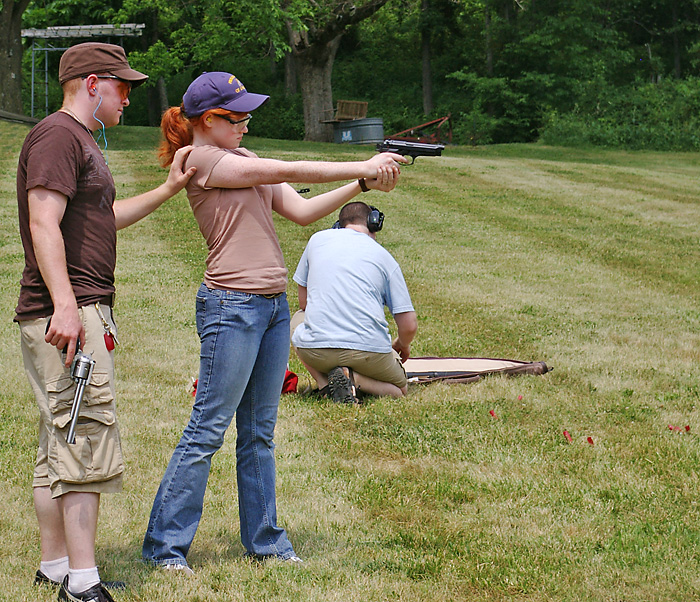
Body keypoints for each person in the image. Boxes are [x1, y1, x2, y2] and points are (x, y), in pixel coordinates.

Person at [142, 71, 406, 572]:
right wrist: (360, 161)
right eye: (236, 116)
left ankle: (266, 542)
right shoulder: (199, 160)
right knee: (207, 429)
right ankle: (165, 549)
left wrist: (361, 182)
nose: (246, 124)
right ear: (206, 120)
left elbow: (303, 211)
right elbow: (285, 166)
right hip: (231, 307)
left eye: (247, 115)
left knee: (259, 432)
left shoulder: (241, 159)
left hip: (269, 307)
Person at [15, 42, 196, 602]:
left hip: (73, 306)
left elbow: (103, 218)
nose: (128, 97)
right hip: (67, 309)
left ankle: (57, 565)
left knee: (58, 440)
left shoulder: (81, 141)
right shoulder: (57, 135)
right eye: (123, 87)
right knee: (84, 432)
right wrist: (67, 305)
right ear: (93, 83)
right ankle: (83, 583)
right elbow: (43, 222)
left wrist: (167, 189)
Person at [290, 202, 417, 403]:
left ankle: (325, 384)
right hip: (370, 353)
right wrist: (402, 344)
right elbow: (408, 324)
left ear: (338, 225)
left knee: (297, 318)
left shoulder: (316, 240)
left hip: (316, 350)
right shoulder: (384, 256)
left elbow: (304, 303)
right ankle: (354, 379)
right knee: (400, 389)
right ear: (374, 224)